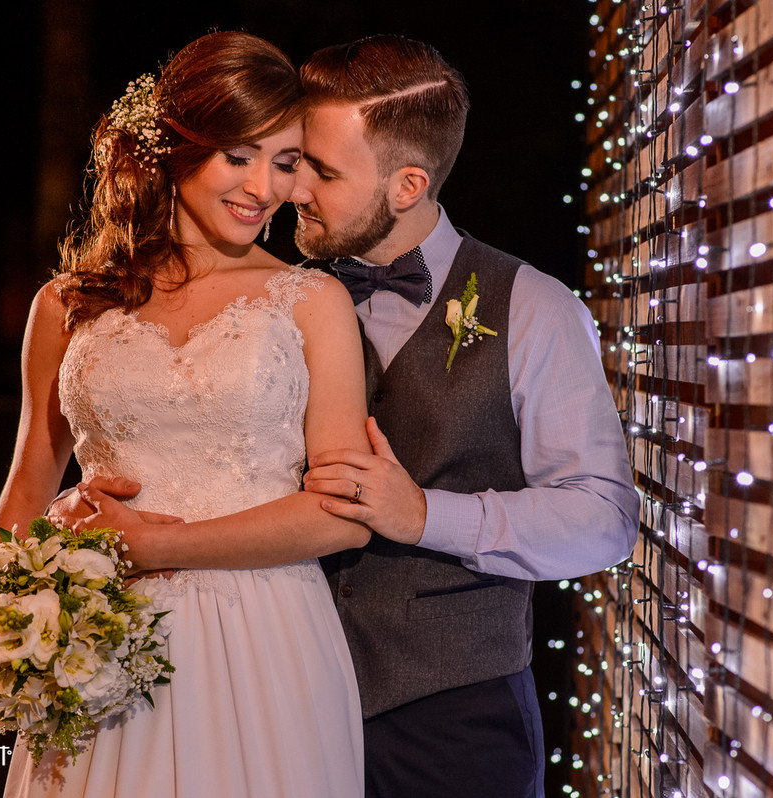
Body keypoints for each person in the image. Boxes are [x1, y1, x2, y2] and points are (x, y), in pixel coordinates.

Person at [70, 33, 641, 798]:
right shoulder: (282, 298)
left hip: (449, 719)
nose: (291, 188)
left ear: (406, 185)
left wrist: (425, 514)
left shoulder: (534, 308)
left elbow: (603, 520)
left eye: (320, 170)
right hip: (271, 693)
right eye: (292, 159)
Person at [0, 31, 371, 798]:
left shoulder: (312, 303)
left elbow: (344, 513)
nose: (264, 186)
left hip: (265, 638)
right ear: (176, 149)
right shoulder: (65, 305)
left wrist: (162, 545)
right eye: (240, 155)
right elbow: (30, 479)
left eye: (285, 162)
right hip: (96, 637)